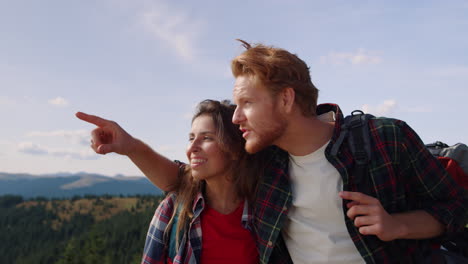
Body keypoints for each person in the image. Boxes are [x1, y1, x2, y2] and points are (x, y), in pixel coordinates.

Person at [78, 40, 468, 264]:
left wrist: (397, 225)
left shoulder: (383, 139)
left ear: (285, 99)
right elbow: (184, 179)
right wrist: (127, 146)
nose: (236, 119)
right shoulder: (266, 163)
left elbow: (455, 210)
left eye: (245, 104)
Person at [76, 100, 263, 264]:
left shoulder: (264, 211)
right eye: (191, 138)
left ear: (236, 149)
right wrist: (130, 146)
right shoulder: (174, 211)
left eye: (206, 138)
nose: (192, 148)